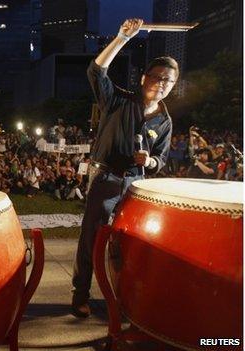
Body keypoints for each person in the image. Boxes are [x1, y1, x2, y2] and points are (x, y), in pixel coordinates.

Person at [71, 19, 173, 318]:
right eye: (157, 77)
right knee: (92, 237)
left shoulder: (164, 121)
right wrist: (121, 38)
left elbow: (161, 160)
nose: (161, 84)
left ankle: (126, 294)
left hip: (136, 185)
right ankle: (80, 294)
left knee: (129, 242)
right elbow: (96, 71)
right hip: (105, 178)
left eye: (168, 81)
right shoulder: (117, 100)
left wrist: (150, 161)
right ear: (144, 78)